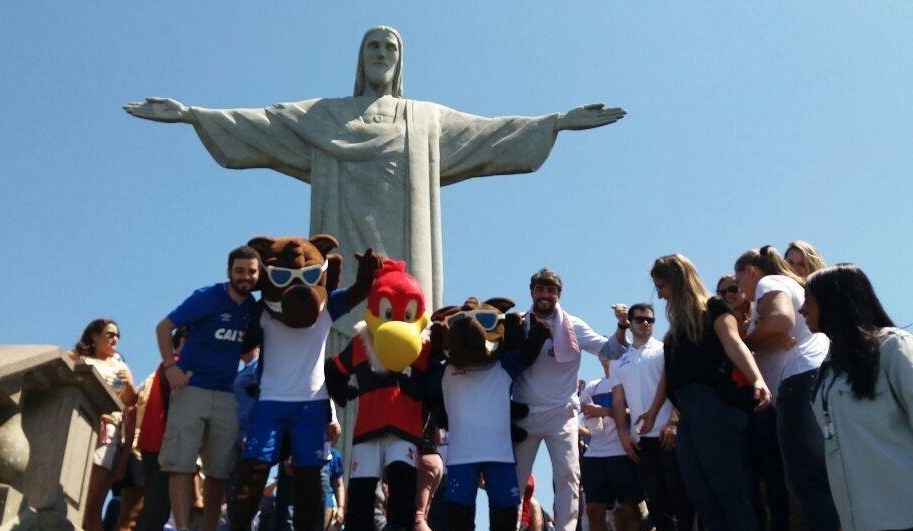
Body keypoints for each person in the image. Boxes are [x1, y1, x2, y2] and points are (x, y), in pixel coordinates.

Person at [124, 26, 626, 324]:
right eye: (373, 48)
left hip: (409, 250)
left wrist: (555, 123)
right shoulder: (322, 116)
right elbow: (263, 123)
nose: (381, 55)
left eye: (389, 49)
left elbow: (489, 135)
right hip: (342, 237)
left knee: (405, 330)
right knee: (343, 329)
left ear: (400, 60)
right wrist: (193, 114)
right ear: (360, 61)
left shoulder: (426, 120)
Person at [639, 254, 771, 531]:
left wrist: (757, 380)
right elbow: (669, 376)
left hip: (714, 406)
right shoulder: (675, 332)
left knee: (728, 490)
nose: (659, 294)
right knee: (701, 493)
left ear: (678, 281)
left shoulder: (713, 309)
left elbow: (734, 345)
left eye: (662, 286)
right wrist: (654, 412)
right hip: (687, 412)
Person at [735, 246, 855, 531]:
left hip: (799, 385)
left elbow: (779, 322)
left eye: (738, 277)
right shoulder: (798, 289)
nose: (738, 286)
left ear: (752, 271)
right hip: (822, 382)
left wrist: (742, 342)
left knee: (810, 482)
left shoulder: (768, 282)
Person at [802, 264, 913, 531]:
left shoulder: (893, 347)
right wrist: (846, 518)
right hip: (863, 529)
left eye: (808, 299)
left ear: (834, 302)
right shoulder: (827, 375)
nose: (801, 308)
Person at [512, 268, 628, 531]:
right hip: (526, 413)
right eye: (540, 289)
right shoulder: (518, 323)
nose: (545, 295)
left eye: (551, 290)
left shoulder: (573, 325)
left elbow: (610, 350)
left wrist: (622, 326)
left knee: (567, 475)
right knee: (515, 480)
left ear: (559, 295)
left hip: (561, 414)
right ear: (532, 293)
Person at [153, 245, 261, 531]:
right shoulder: (207, 296)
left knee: (219, 468)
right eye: (240, 270)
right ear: (229, 271)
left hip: (226, 393)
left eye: (251, 271)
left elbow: (249, 346)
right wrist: (169, 366)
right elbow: (164, 327)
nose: (245, 276)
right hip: (192, 388)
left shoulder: (251, 308)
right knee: (182, 461)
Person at [608, 303, 693, 531]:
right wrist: (623, 435)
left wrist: (674, 421)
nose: (646, 324)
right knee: (655, 501)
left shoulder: (665, 350)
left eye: (650, 320)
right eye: (640, 319)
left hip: (670, 434)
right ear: (630, 323)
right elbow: (617, 399)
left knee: (680, 495)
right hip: (642, 440)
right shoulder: (618, 361)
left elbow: (679, 385)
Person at [717, 275, 791, 531]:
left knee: (772, 469)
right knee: (747, 473)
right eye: (723, 291)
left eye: (733, 288)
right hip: (736, 399)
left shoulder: (760, 319)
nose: (729, 294)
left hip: (763, 396)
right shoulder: (720, 324)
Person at [69, 318, 138, 531]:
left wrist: (128, 385)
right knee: (72, 500)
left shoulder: (118, 367)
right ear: (94, 336)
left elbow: (130, 405)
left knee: (91, 504)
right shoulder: (81, 360)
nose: (114, 339)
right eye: (109, 334)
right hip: (79, 428)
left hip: (108, 434)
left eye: (117, 335)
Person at [129, 327, 187, 531]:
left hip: (153, 440)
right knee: (158, 504)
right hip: (163, 441)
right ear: (182, 340)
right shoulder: (177, 364)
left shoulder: (166, 364)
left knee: (156, 503)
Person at [580, 360, 643, 531]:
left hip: (623, 451)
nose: (608, 358)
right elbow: (581, 408)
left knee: (630, 507)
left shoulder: (630, 382)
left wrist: (605, 411)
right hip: (595, 454)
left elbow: (638, 412)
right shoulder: (594, 386)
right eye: (605, 354)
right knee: (593, 510)